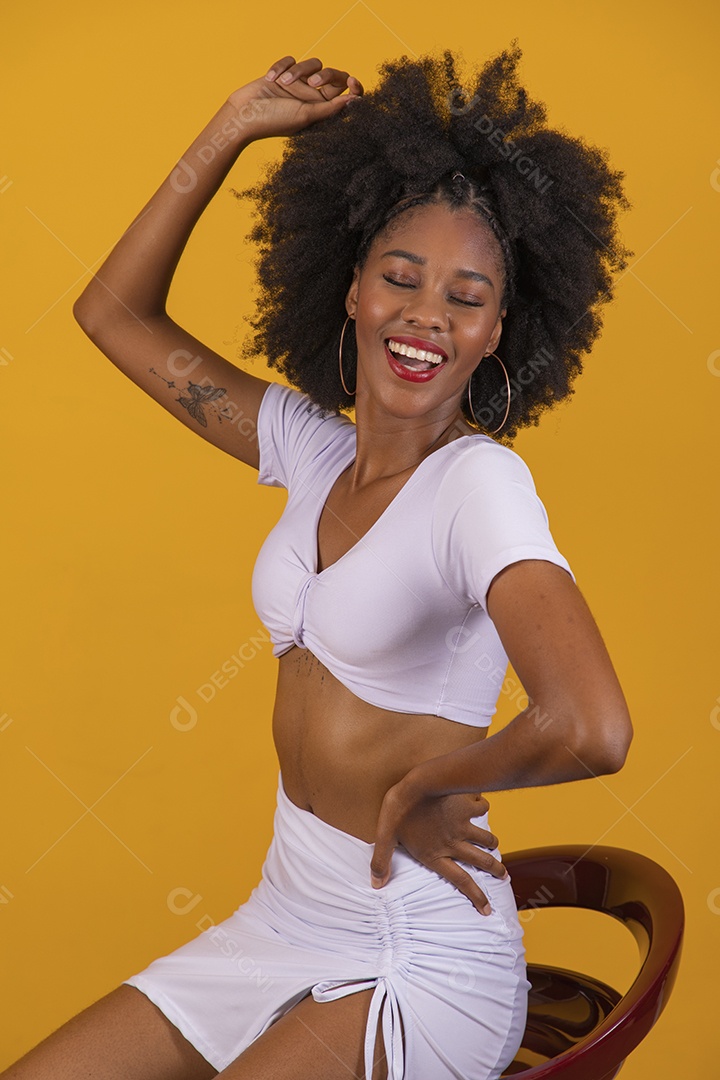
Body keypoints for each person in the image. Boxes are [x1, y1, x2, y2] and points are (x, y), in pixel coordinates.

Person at [5, 45, 634, 1080]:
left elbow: (592, 724)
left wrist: (430, 783)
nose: (427, 314)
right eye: (400, 278)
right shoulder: (310, 449)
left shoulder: (478, 488)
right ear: (349, 293)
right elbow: (111, 315)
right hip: (287, 913)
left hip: (414, 956)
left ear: (497, 336)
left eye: (466, 298)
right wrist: (232, 126)